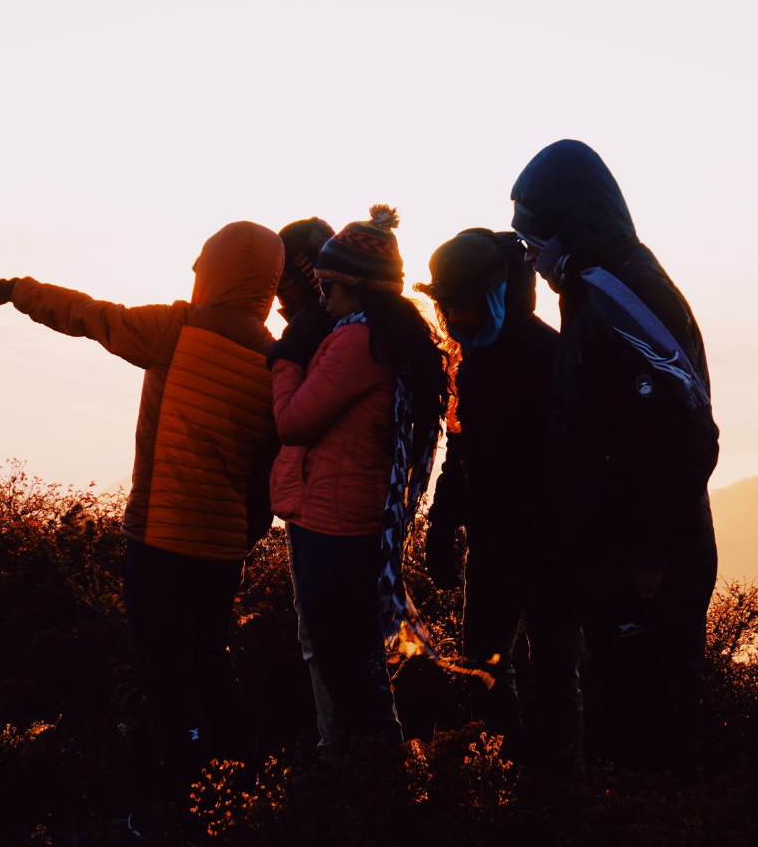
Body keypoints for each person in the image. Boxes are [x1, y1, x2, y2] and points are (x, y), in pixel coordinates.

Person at [0, 221, 284, 806]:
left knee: (167, 672)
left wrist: (16, 290)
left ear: (219, 270)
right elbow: (267, 469)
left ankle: (188, 801)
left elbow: (91, 316)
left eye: (202, 260)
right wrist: (244, 533)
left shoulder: (177, 329)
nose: (192, 270)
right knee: (210, 659)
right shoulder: (277, 360)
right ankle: (238, 791)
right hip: (224, 547)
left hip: (162, 540)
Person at [509, 140, 719, 778]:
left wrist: (648, 559)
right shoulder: (593, 288)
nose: (532, 257)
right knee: (627, 729)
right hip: (619, 558)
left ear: (567, 223)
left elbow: (686, 430)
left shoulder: (618, 291)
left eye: (535, 238)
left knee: (654, 735)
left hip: (645, 564)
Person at [266, 205, 449, 753]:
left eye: (327, 284)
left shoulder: (354, 342)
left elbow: (292, 421)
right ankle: (371, 779)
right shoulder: (390, 335)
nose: (320, 296)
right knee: (357, 658)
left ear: (353, 285)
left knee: (344, 661)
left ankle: (371, 781)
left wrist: (286, 362)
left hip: (333, 524)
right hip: (363, 517)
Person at [417, 228, 583, 774]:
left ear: (495, 292)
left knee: (555, 678)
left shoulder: (551, 356)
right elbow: (461, 445)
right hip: (493, 550)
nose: (455, 319)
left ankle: (558, 799)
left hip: (552, 554)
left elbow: (576, 465)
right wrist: (442, 527)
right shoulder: (471, 358)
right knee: (485, 672)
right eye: (448, 308)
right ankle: (510, 788)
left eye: (463, 307)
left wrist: (569, 554)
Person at [272, 215, 339, 758]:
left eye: (283, 285)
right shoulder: (362, 325)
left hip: (323, 510)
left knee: (324, 640)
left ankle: (343, 758)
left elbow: (290, 422)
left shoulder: (312, 333)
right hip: (357, 509)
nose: (276, 300)